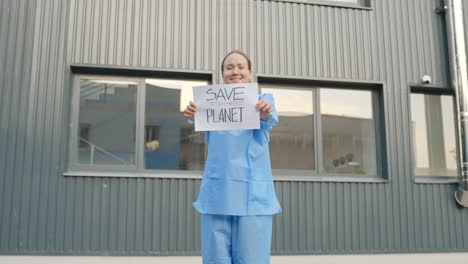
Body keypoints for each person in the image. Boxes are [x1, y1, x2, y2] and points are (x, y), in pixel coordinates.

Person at [184, 50, 281, 264]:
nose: (235, 71)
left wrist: (265, 112)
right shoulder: (209, 104)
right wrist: (193, 112)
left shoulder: (263, 101)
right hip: (219, 193)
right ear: (222, 74)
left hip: (252, 196)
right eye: (229, 68)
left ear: (250, 72)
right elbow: (194, 119)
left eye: (240, 67)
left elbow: (269, 117)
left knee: (251, 259)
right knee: (215, 259)